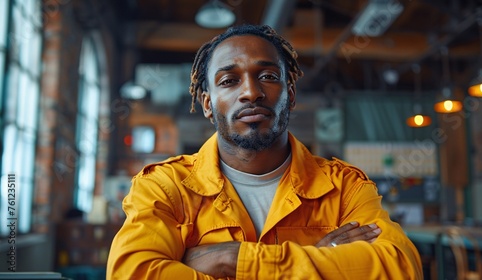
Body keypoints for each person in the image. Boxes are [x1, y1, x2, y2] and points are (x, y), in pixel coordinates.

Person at [107, 24, 423, 279]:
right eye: (229, 80)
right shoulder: (165, 187)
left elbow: (401, 268)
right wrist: (321, 259)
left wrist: (230, 260)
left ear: (290, 94)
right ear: (207, 103)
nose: (251, 92)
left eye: (268, 77)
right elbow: (131, 273)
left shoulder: (345, 188)